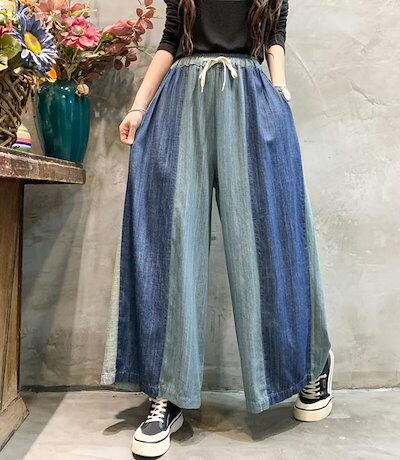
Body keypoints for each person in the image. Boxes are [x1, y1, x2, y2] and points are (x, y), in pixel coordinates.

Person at [102, 0, 334, 456]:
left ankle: (309, 366)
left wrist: (280, 91)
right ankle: (167, 391)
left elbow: (275, 37)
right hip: (181, 100)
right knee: (173, 242)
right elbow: (171, 37)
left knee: (270, 239)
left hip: (250, 97)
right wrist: (138, 106)